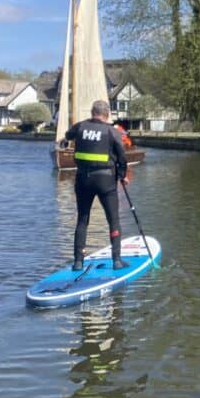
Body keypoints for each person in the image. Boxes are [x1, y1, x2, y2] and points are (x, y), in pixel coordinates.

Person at [65, 100, 129, 271]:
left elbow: (67, 135)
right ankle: (116, 261)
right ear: (107, 114)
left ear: (92, 112)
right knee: (113, 219)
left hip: (83, 180)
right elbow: (122, 156)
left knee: (82, 219)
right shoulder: (111, 131)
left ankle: (78, 262)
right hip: (105, 181)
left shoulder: (79, 127)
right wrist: (122, 176)